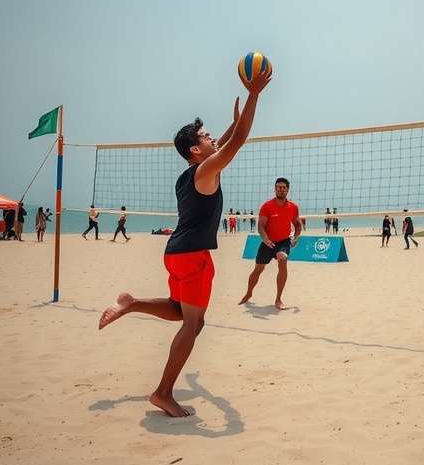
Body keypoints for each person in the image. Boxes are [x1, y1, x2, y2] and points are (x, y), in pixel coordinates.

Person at [98, 63, 271, 417]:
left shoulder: (189, 173)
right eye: (206, 138)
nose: (211, 139)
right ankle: (163, 393)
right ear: (196, 150)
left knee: (182, 313)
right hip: (192, 257)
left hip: (177, 253)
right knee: (192, 324)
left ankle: (131, 303)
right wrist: (254, 95)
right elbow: (236, 141)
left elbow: (226, 140)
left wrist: (235, 121)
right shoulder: (206, 169)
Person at [239, 178, 302, 309]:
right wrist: (265, 238)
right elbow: (261, 226)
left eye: (284, 187)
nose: (281, 189)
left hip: (283, 241)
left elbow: (297, 225)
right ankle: (249, 293)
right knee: (258, 270)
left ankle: (278, 299)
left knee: (282, 259)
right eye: (279, 187)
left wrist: (296, 237)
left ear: (287, 190)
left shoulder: (293, 207)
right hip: (268, 242)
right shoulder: (267, 206)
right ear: (275, 189)